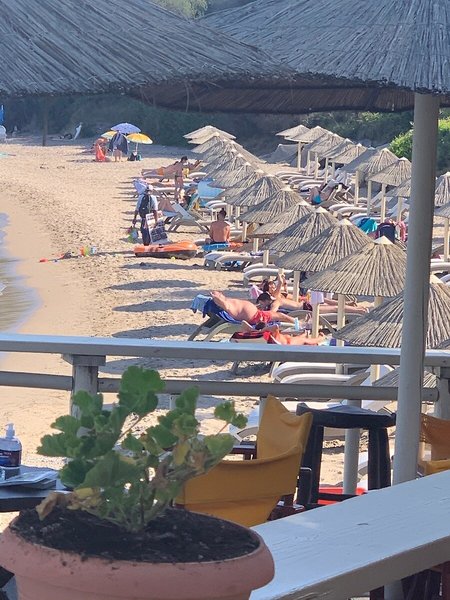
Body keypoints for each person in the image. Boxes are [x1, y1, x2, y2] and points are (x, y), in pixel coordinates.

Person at [210, 291, 295, 327]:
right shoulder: (226, 305)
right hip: (257, 317)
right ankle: (298, 324)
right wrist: (215, 297)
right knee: (281, 316)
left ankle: (297, 323)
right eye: (218, 294)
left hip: (256, 314)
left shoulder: (228, 302)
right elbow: (220, 302)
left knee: (281, 316)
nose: (220, 293)